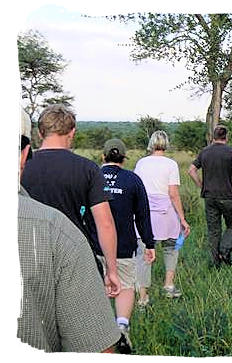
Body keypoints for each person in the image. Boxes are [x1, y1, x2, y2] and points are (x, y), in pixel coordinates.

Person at [18, 108, 122, 352]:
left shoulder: (25, 167)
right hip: (74, 263)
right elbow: (104, 222)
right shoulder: (87, 168)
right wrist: (112, 269)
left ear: (40, 132)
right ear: (72, 132)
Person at [99, 138, 156, 345]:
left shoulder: (92, 176)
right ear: (124, 158)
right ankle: (121, 325)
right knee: (124, 286)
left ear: (103, 156)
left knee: (98, 286)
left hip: (94, 247)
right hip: (124, 247)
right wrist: (149, 244)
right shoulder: (132, 180)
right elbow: (142, 216)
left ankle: (99, 331)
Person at [134, 130, 191, 304]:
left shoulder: (141, 163)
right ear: (166, 144)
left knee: (143, 253)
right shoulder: (170, 164)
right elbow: (173, 193)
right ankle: (168, 285)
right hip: (165, 212)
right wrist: (182, 218)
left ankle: (143, 296)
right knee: (171, 247)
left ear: (151, 143)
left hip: (144, 212)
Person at [188, 125, 232, 268]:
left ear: (213, 137)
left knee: (214, 231)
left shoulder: (205, 152)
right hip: (228, 196)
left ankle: (216, 263)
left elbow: (191, 170)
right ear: (226, 137)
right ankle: (224, 251)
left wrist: (201, 186)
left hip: (209, 197)